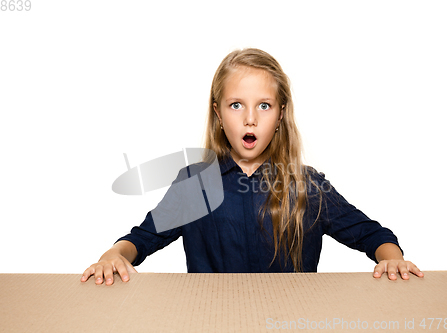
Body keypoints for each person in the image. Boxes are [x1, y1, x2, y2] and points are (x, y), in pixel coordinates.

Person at [81, 48, 423, 285]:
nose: (249, 118)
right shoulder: (194, 186)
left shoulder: (308, 186)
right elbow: (142, 239)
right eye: (235, 105)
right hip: (211, 323)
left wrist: (391, 257)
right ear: (218, 114)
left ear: (280, 114)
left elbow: (372, 235)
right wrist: (114, 254)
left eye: (263, 105)